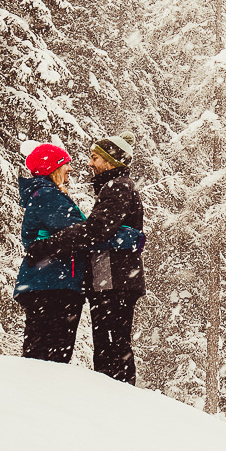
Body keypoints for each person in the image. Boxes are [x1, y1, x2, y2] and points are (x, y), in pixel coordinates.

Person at [26, 134, 145, 384]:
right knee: (110, 344)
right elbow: (100, 230)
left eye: (95, 158)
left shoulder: (117, 187)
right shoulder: (114, 187)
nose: (89, 164)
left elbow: (96, 230)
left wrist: (47, 246)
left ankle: (117, 395)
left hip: (113, 279)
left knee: (111, 345)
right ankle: (114, 392)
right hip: (110, 279)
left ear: (110, 162)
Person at [13, 142, 87, 362]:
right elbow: (76, 232)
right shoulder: (47, 194)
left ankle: (38, 391)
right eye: (65, 164)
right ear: (52, 168)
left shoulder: (45, 194)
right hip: (53, 284)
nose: (70, 169)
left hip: (46, 282)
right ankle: (42, 393)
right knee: (52, 356)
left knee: (41, 351)